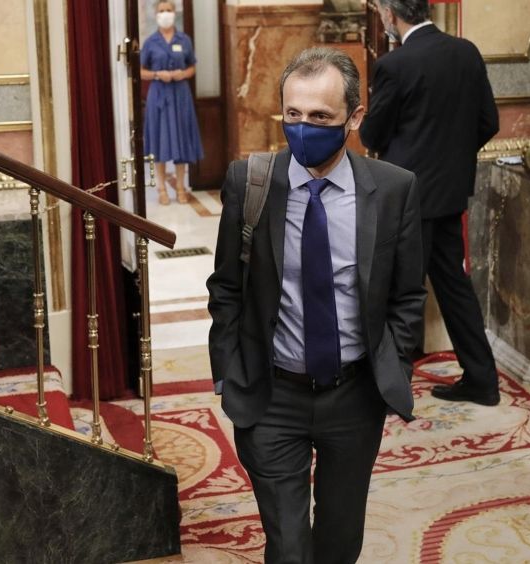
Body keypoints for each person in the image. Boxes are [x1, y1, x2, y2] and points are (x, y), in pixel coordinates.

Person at [207, 47, 425, 563]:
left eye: (321, 117)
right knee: (288, 546)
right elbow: (227, 287)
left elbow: (407, 295)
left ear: (354, 117)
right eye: (293, 114)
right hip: (270, 395)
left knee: (339, 542)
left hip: (354, 396)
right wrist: (229, 372)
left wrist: (394, 367)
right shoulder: (249, 182)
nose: (303, 128)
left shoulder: (393, 189)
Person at [360, 0, 502, 406]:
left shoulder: (395, 65)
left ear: (391, 14)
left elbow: (373, 134)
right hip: (450, 193)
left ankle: (392, 390)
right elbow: (488, 122)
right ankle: (483, 380)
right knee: (454, 286)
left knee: (402, 292)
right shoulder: (466, 52)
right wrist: (451, 159)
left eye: (381, 11)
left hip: (408, 197)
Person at [140, 0, 204, 205]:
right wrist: (157, 74)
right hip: (159, 94)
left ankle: (180, 188)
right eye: (161, 11)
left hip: (180, 95)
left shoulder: (183, 40)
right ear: (156, 14)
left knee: (181, 140)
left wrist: (181, 74)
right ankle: (161, 189)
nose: (165, 14)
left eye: (168, 10)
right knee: (160, 141)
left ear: (174, 13)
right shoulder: (150, 42)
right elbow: (141, 71)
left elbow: (192, 67)